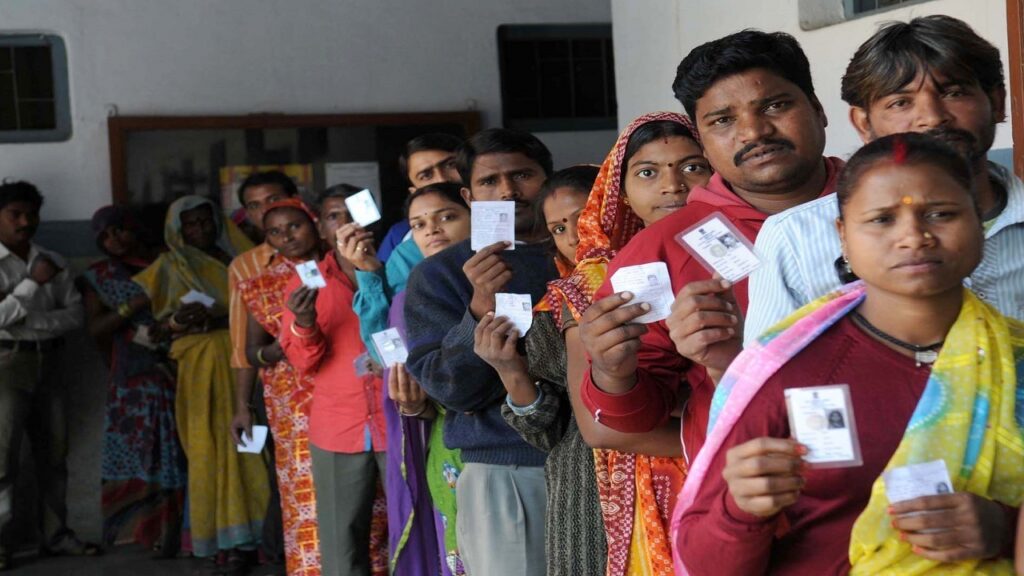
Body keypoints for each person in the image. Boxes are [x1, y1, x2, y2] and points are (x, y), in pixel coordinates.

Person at [675, 132, 1022, 574]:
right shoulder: (789, 371)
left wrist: (1005, 528)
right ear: (843, 237)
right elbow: (703, 563)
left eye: (941, 214)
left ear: (978, 222)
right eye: (882, 220)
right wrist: (739, 508)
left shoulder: (1015, 361)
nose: (913, 237)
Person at [578, 30, 842, 451]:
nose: (753, 132)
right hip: (755, 493)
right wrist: (612, 371)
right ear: (702, 140)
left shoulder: (887, 204)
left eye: (775, 105)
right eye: (723, 120)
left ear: (817, 109)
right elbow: (635, 417)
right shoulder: (658, 251)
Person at [746, 15, 1023, 342]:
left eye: (954, 92)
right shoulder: (792, 240)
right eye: (901, 102)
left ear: (997, 102)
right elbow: (767, 377)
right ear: (863, 122)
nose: (932, 117)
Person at [547, 113, 713, 575]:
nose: (673, 185)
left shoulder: (743, 250)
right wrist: (723, 442)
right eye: (648, 172)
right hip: (658, 474)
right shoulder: (597, 280)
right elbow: (601, 427)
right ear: (620, 193)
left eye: (692, 166)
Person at [404, 128, 556, 575]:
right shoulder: (442, 275)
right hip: (507, 468)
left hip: (603, 461)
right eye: (490, 182)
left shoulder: (579, 255)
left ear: (548, 180)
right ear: (469, 195)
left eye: (523, 175)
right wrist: (477, 308)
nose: (509, 190)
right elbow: (452, 390)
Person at [474, 164, 610, 575]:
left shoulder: (669, 279)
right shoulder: (554, 309)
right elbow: (551, 434)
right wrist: (510, 371)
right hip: (584, 497)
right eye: (558, 228)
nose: (575, 237)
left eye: (585, 217)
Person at [133, 195, 269, 575]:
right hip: (201, 376)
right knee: (210, 448)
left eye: (206, 221)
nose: (201, 230)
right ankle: (221, 542)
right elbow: (143, 333)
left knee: (250, 448)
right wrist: (176, 322)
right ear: (177, 230)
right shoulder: (168, 268)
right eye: (190, 224)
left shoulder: (242, 261)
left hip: (245, 367)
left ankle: (259, 538)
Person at [355, 182, 471, 575]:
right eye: (419, 225)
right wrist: (414, 404)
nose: (432, 230)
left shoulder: (507, 281)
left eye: (447, 217)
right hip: (446, 439)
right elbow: (390, 359)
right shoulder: (411, 296)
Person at [279, 185, 388, 576]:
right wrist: (304, 323)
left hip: (401, 416)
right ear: (322, 231)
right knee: (342, 546)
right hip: (340, 424)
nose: (348, 222)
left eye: (356, 211)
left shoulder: (399, 266)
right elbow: (302, 361)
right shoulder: (308, 282)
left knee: (419, 527)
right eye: (334, 216)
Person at [80, 206, 186, 553]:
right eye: (105, 236)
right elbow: (96, 329)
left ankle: (177, 534)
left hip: (179, 370)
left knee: (179, 450)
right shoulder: (100, 276)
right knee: (136, 455)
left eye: (120, 230)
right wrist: (134, 304)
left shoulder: (168, 263)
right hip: (132, 381)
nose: (114, 240)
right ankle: (139, 535)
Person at [0, 181, 94, 571]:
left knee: (54, 456)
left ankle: (55, 536)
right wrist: (32, 283)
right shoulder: (39, 269)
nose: (25, 222)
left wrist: (24, 320)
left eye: (31, 214)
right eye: (15, 215)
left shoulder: (54, 259)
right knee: (2, 461)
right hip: (5, 365)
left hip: (50, 365)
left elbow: (74, 317)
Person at [235, 198, 324, 575]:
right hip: (291, 401)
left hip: (343, 389)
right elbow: (251, 353)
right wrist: (275, 350)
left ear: (314, 223)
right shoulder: (261, 285)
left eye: (294, 226)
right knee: (303, 489)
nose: (287, 236)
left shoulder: (343, 268)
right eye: (275, 231)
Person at [226, 170, 298, 566]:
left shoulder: (321, 251)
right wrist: (243, 406)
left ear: (294, 199)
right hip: (274, 389)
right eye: (254, 205)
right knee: (283, 480)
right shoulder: (246, 267)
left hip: (332, 383)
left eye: (272, 199)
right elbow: (243, 348)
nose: (264, 210)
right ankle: (278, 562)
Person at [377, 133, 463, 262]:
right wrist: (370, 269)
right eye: (426, 175)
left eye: (451, 165)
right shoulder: (400, 235)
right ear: (414, 192)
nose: (442, 179)